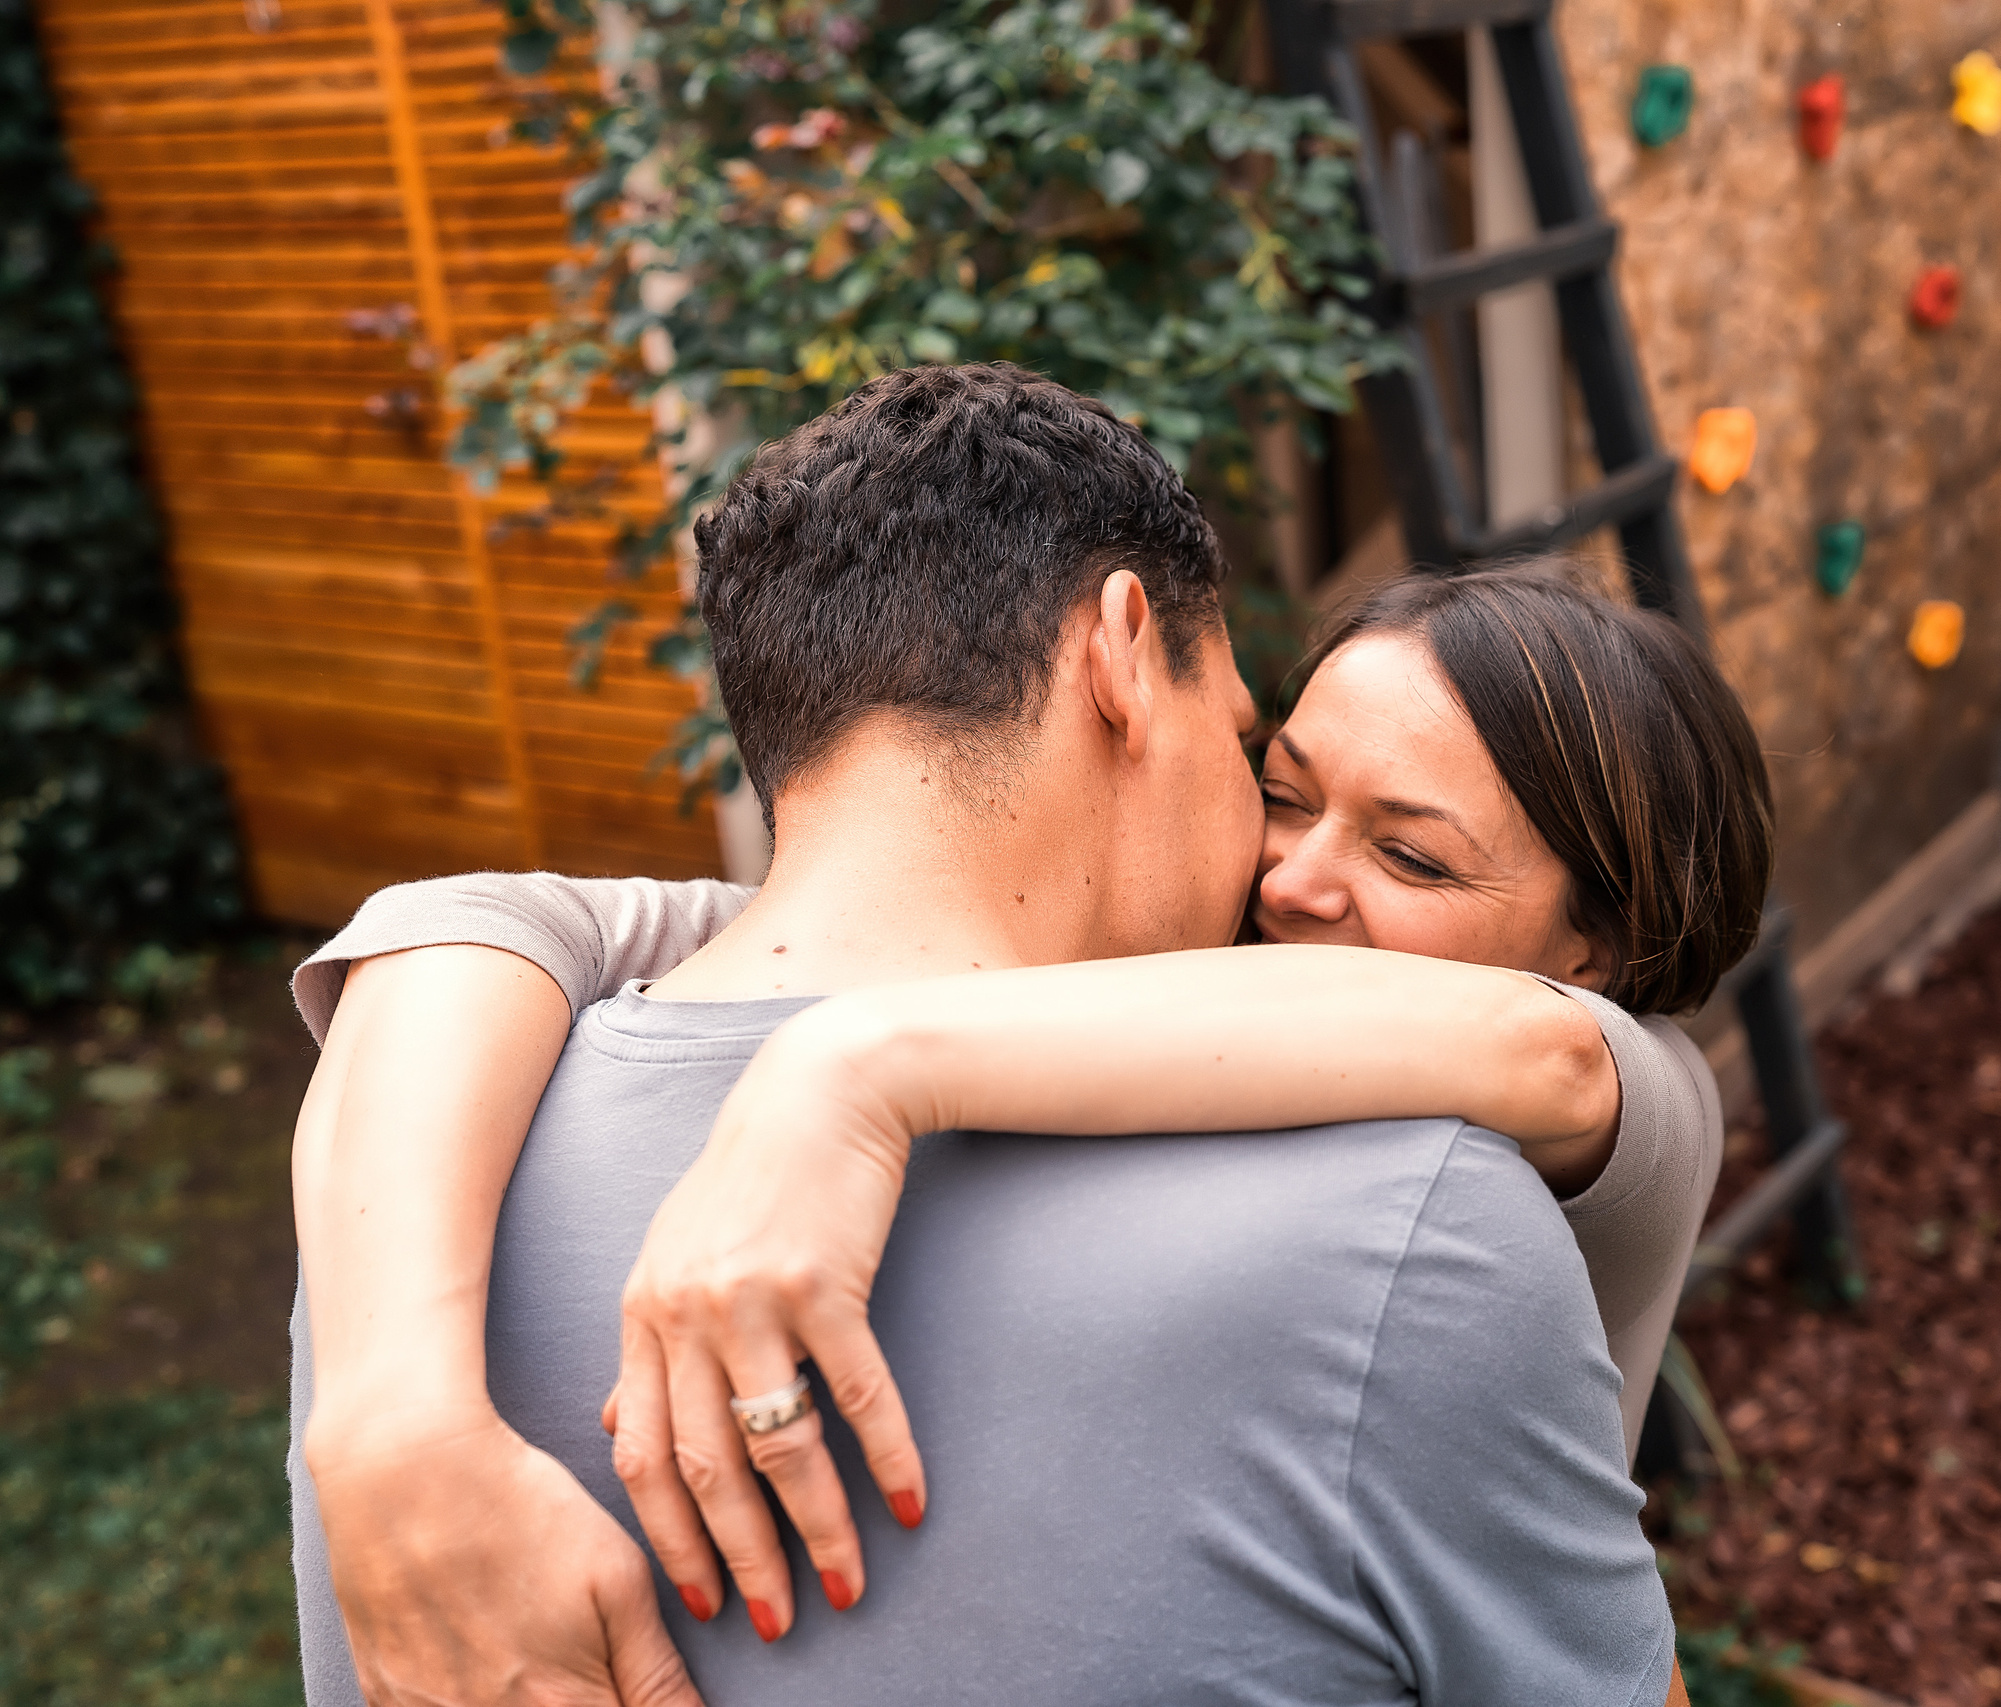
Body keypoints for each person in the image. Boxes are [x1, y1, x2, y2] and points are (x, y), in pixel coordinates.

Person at [289, 364, 1769, 1705]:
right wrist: (393, 1418)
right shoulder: (1411, 1234)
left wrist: (850, 1065)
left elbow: (1555, 1054)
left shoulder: (406, 1215)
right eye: (1274, 772)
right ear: (1127, 653)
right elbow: (513, 915)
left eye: (1420, 859)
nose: (1288, 878)